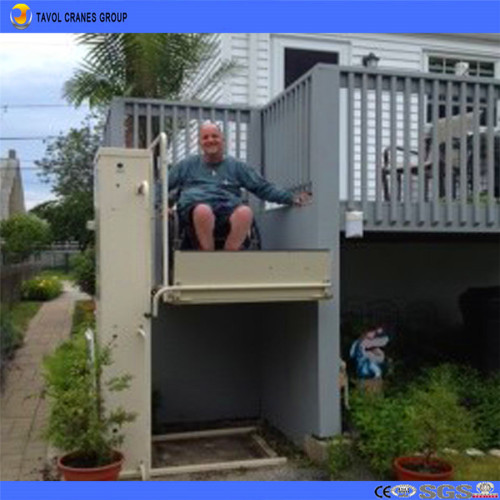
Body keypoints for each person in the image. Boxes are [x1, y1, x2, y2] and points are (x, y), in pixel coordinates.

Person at [168, 121, 310, 251]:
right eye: (205, 137)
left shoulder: (236, 166)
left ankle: (231, 255)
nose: (210, 140)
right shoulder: (186, 165)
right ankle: (207, 254)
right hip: (196, 210)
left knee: (245, 213)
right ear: (200, 143)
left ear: (222, 140)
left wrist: (290, 198)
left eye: (214, 136)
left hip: (227, 208)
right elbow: (162, 185)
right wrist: (161, 205)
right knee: (203, 211)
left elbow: (262, 187)